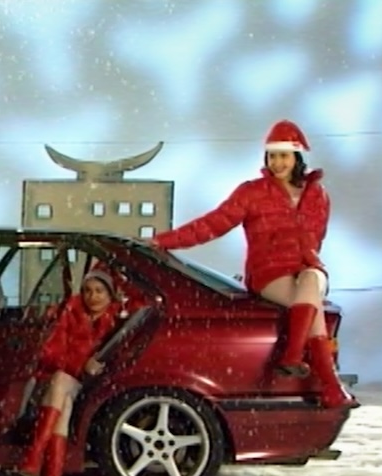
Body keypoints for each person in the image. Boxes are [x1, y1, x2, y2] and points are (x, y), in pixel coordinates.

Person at [146, 119, 357, 409]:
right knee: (311, 299)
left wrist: (303, 262)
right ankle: (328, 383)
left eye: (283, 155)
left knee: (311, 280)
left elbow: (316, 238)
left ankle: (294, 357)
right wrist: (165, 241)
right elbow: (212, 224)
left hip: (308, 269)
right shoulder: (251, 192)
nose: (277, 162)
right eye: (272, 155)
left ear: (297, 157)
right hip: (269, 273)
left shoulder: (317, 195)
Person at [19, 261, 123, 476]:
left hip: (89, 387)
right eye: (88, 290)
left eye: (99, 291)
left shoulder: (115, 322)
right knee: (62, 401)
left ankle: (36, 458)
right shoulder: (70, 313)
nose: (93, 297)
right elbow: (51, 354)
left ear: (110, 294)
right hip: (63, 380)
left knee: (61, 386)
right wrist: (79, 363)